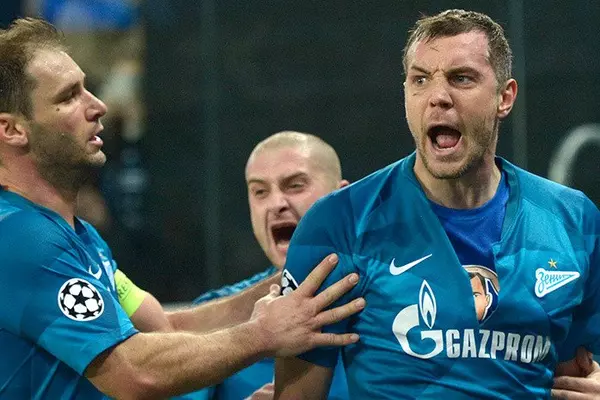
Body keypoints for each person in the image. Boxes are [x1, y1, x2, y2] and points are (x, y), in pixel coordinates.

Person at [0, 18, 366, 399]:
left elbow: (164, 328)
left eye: (86, 88)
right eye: (68, 97)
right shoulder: (21, 240)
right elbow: (133, 372)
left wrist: (300, 276)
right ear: (12, 130)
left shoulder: (78, 236)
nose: (98, 106)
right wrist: (263, 334)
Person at [274, 9, 600, 399]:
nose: (437, 97)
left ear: (505, 97)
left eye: (461, 78)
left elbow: (580, 374)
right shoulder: (338, 224)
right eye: (420, 79)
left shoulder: (574, 221)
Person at [185, 131, 351, 400]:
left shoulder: (395, 301)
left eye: (295, 186)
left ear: (341, 199)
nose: (276, 204)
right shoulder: (216, 319)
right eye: (260, 192)